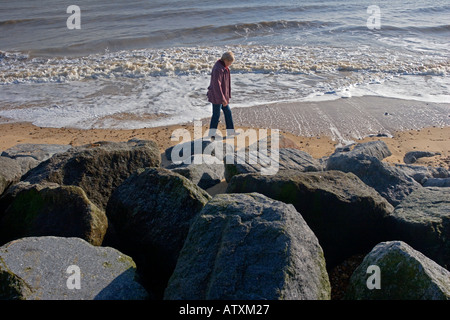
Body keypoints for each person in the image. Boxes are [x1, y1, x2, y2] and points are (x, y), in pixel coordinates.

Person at [207, 51, 238, 139]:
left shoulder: (223, 67)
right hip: (217, 96)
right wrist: (223, 99)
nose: (230, 64)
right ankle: (212, 134)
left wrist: (226, 96)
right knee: (216, 115)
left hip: (222, 95)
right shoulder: (218, 69)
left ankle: (231, 132)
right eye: (229, 62)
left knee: (228, 112)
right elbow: (217, 85)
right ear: (225, 60)